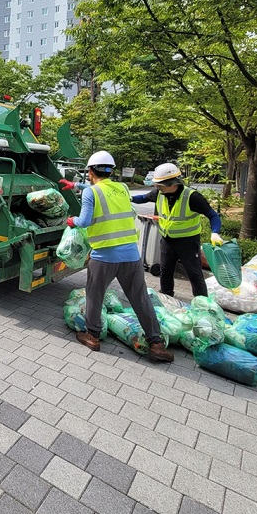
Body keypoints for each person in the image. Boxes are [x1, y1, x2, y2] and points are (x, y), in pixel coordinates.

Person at [64, 151, 174, 362]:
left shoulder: (91, 193)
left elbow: (85, 220)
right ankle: (156, 343)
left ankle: (93, 336)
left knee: (95, 295)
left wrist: (73, 221)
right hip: (131, 255)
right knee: (139, 298)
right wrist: (76, 186)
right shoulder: (122, 188)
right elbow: (104, 192)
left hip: (104, 255)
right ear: (110, 170)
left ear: (90, 171)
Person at [131, 163, 222, 298]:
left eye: (160, 185)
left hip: (188, 242)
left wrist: (215, 232)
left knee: (194, 274)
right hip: (167, 240)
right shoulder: (159, 193)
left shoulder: (192, 197)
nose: (157, 187)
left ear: (172, 183)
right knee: (165, 270)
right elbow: (143, 198)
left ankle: (203, 303)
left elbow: (213, 216)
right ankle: (166, 296)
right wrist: (129, 198)